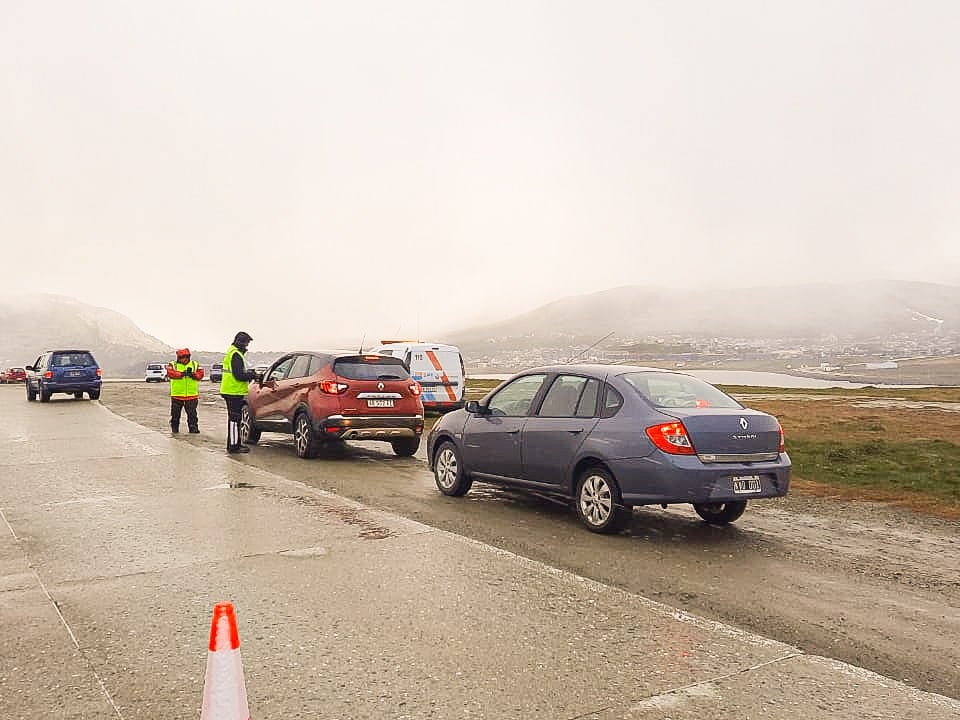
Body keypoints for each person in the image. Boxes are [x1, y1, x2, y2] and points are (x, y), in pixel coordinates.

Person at [220, 331, 262, 454]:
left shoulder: (232, 352)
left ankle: (236, 443)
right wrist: (252, 375)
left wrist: (249, 373)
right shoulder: (236, 354)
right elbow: (239, 375)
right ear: (241, 342)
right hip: (233, 391)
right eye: (246, 343)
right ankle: (233, 446)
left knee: (235, 419)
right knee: (234, 420)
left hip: (231, 390)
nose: (247, 346)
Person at [165, 348, 205, 434]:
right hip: (177, 395)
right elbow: (170, 373)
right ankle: (174, 429)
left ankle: (193, 429)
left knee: (192, 415)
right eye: (182, 357)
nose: (184, 359)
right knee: (175, 415)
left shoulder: (195, 364)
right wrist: (182, 374)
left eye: (186, 357)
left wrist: (194, 375)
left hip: (191, 395)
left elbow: (201, 374)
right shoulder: (173, 364)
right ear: (178, 357)